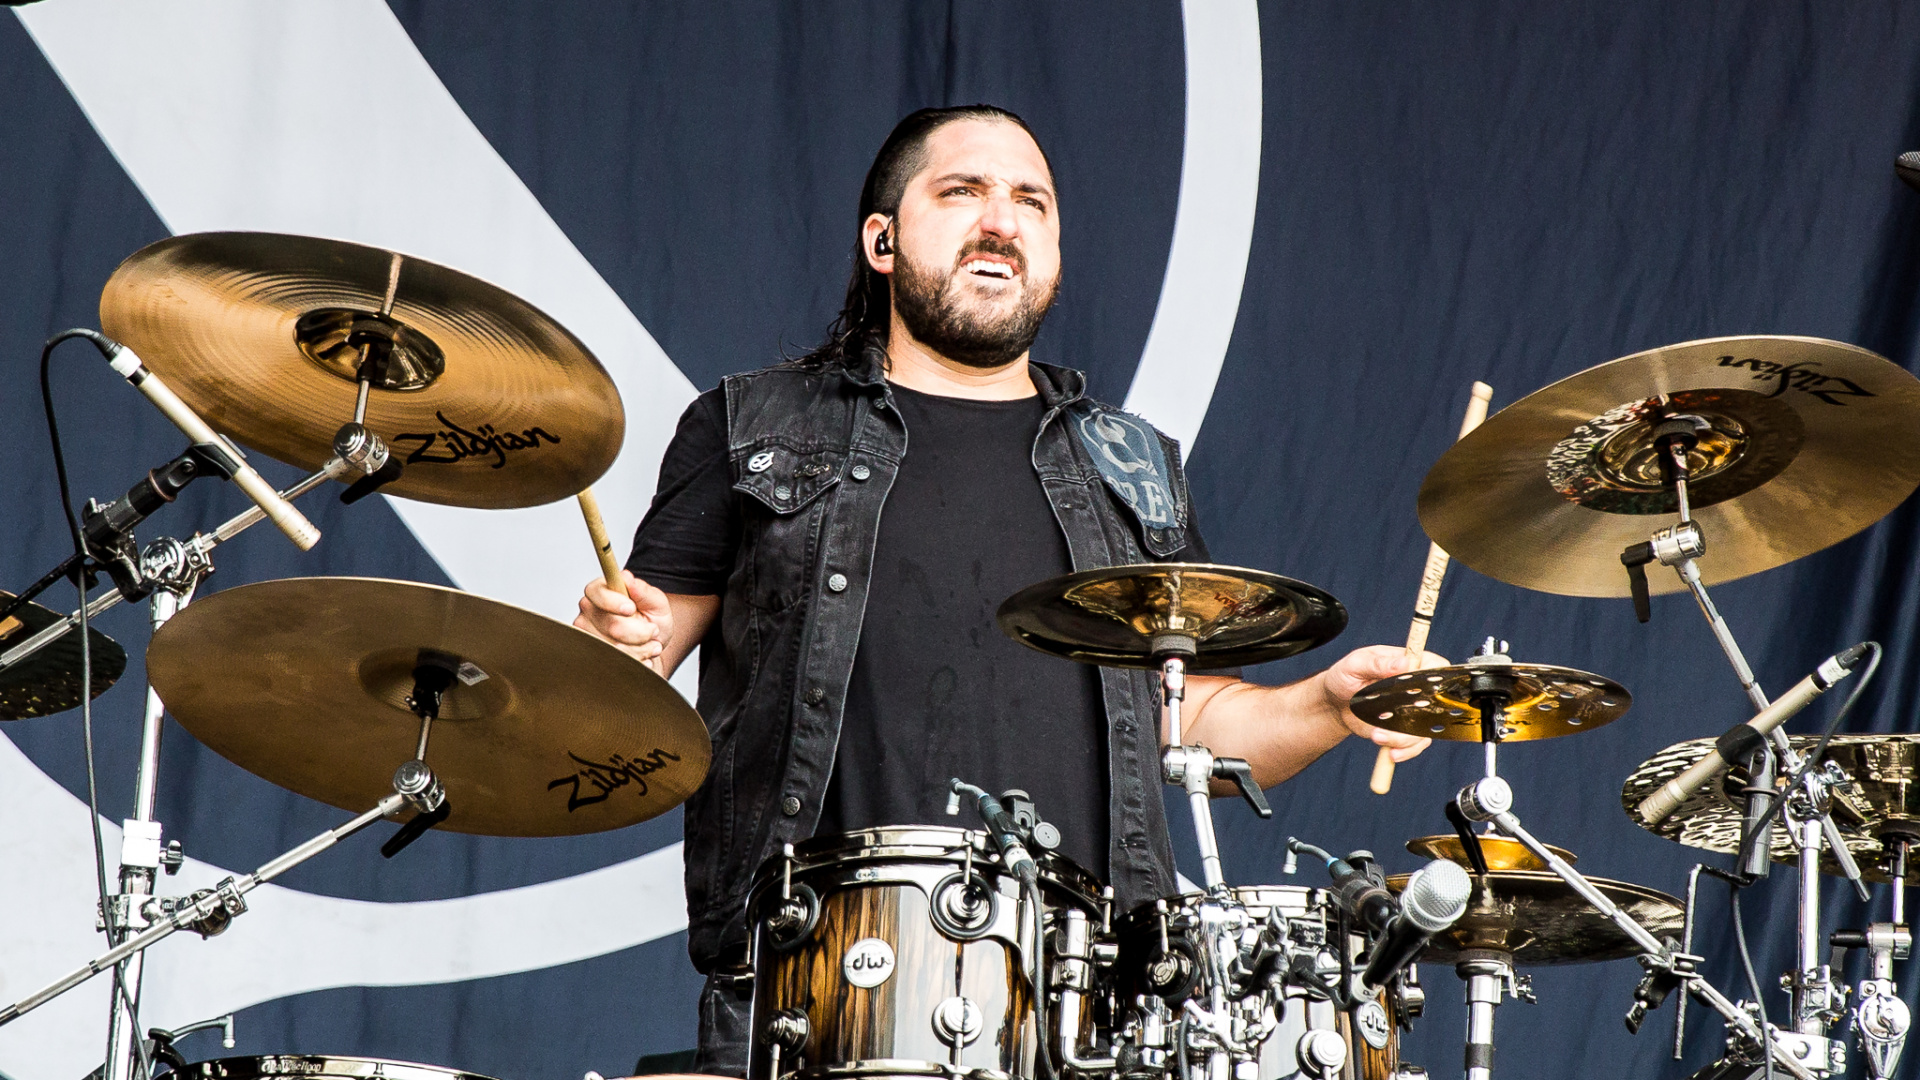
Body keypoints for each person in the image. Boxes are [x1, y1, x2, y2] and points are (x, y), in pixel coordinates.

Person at [573, 104, 1433, 1075]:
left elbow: (1185, 722)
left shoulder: (1130, 464)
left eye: (1031, 201)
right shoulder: (751, 425)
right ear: (883, 241)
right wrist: (611, 649)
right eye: (962, 192)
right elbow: (626, 685)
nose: (1000, 221)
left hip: (1090, 1008)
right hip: (817, 991)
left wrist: (1329, 704)